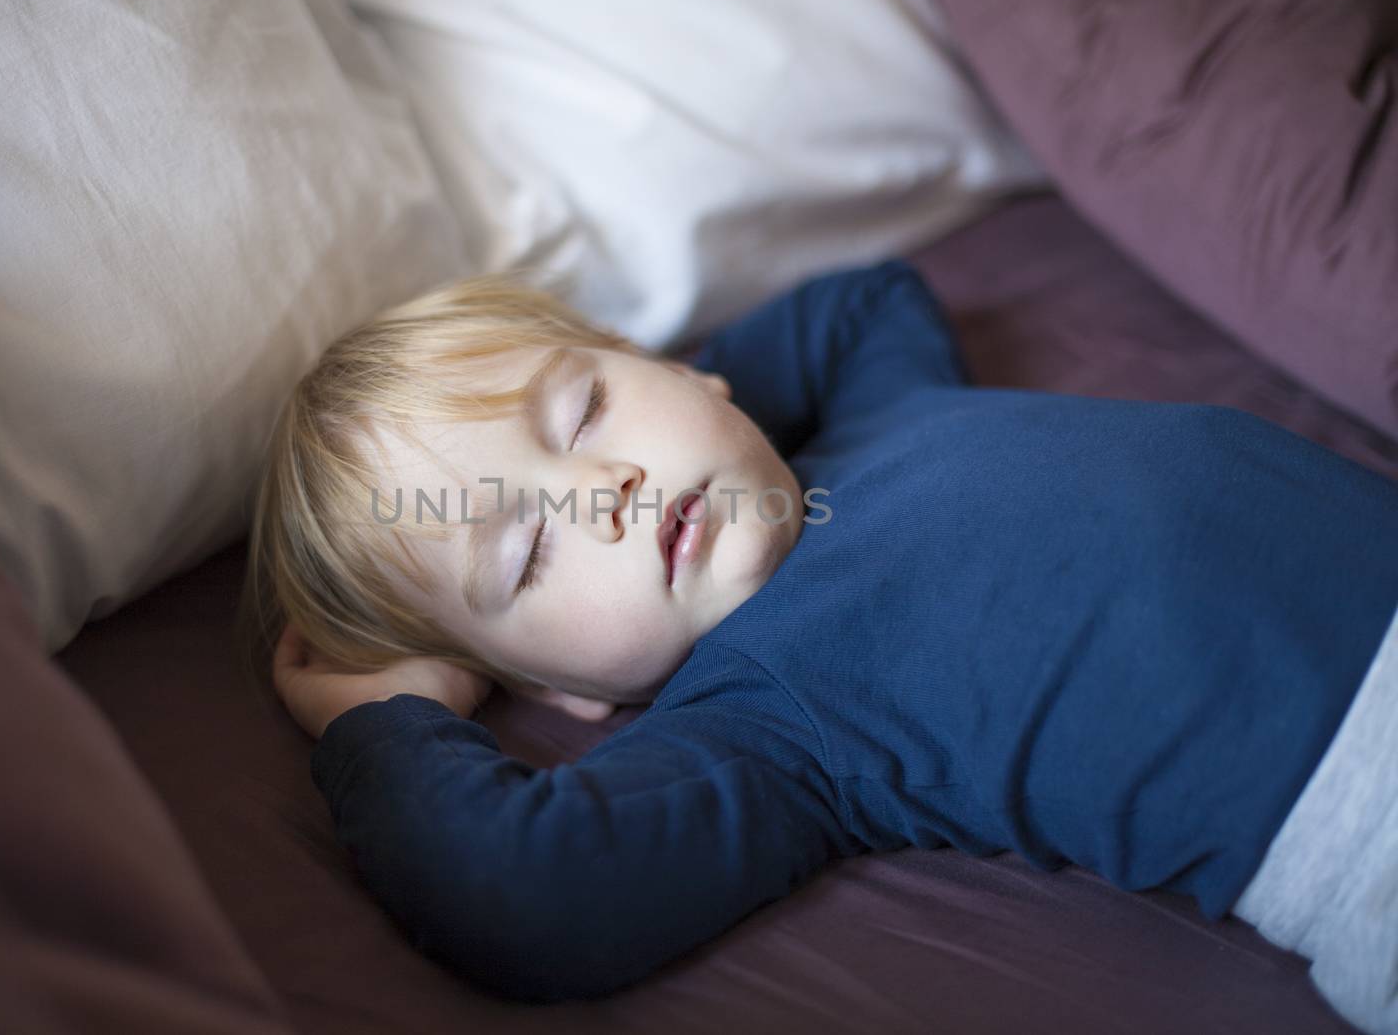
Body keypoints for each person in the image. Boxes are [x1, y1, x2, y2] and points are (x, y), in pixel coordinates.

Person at [242, 261, 1398, 1032]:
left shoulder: (880, 404)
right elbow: (522, 888)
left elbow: (865, 298)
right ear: (556, 690)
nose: (604, 490)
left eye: (584, 410)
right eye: (525, 552)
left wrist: (698, 400)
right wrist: (382, 713)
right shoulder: (771, 719)